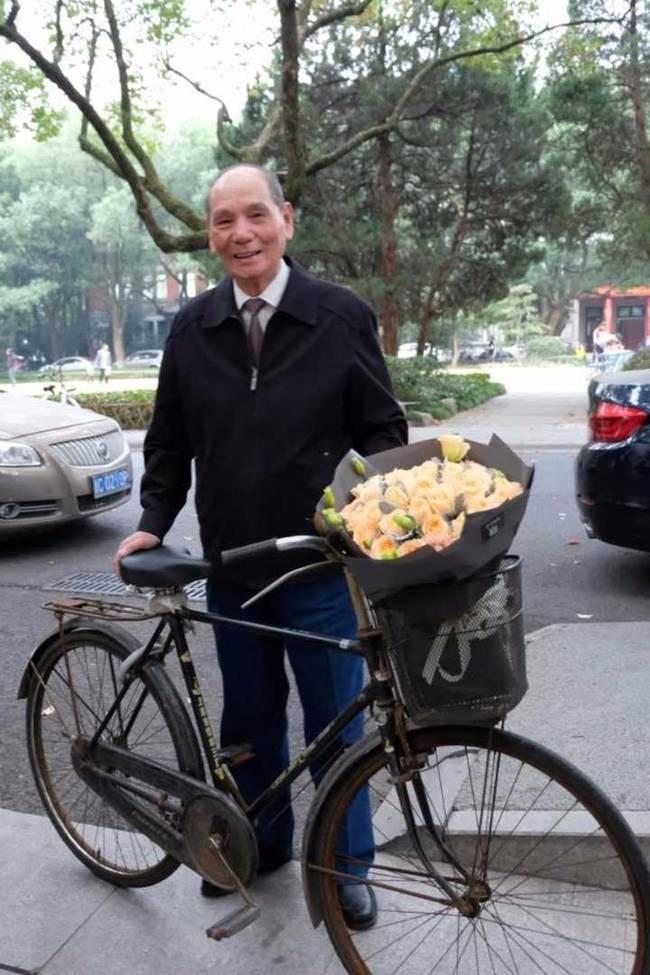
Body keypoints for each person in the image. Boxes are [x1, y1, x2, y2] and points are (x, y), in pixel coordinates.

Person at [113, 164, 407, 930]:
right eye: (224, 221)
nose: (241, 234)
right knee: (248, 723)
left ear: (287, 219)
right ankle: (261, 845)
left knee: (337, 723)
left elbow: (383, 428)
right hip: (232, 568)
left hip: (320, 569)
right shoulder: (193, 327)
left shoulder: (338, 315)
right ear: (211, 236)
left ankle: (346, 866)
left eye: (255, 215)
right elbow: (168, 440)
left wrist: (368, 507)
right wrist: (153, 517)